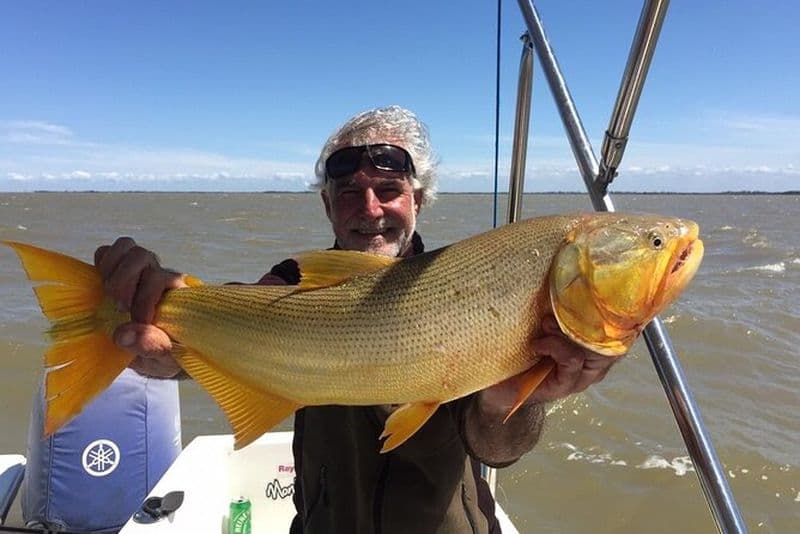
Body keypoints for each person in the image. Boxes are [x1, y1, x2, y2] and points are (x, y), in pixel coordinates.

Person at [94, 105, 619, 533]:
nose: (368, 208)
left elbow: (496, 450)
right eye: (348, 193)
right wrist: (161, 342)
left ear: (417, 201)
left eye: (388, 191)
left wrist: (517, 402)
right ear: (327, 205)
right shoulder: (294, 281)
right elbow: (243, 316)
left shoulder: (469, 292)